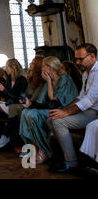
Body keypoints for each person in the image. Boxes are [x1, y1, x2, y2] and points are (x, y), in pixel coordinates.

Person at [47, 43, 98, 173]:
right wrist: (63, 110)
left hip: (95, 112)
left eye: (80, 59)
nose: (77, 62)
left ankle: (71, 162)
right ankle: (62, 156)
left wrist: (65, 113)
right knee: (51, 118)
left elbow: (90, 99)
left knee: (58, 121)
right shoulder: (86, 74)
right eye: (76, 59)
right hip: (87, 110)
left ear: (92, 56)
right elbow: (81, 96)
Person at [19, 56, 78, 164]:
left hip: (64, 110)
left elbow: (56, 102)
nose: (41, 69)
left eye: (43, 66)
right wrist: (29, 104)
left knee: (33, 115)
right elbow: (42, 103)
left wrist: (49, 82)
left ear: (50, 68)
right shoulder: (48, 82)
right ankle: (36, 146)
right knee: (25, 112)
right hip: (52, 109)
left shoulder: (64, 79)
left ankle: (44, 150)